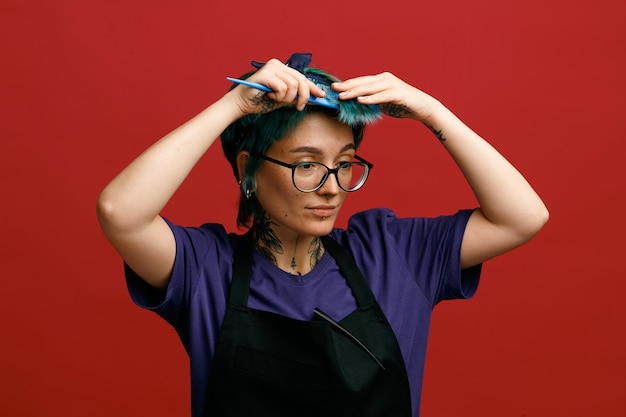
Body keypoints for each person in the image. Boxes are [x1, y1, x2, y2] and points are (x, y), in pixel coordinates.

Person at [96, 52, 548, 417]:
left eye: (345, 163)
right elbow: (121, 213)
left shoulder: (392, 254)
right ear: (247, 169)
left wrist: (431, 112)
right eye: (307, 165)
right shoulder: (204, 269)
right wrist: (233, 106)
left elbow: (521, 217)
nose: (332, 187)